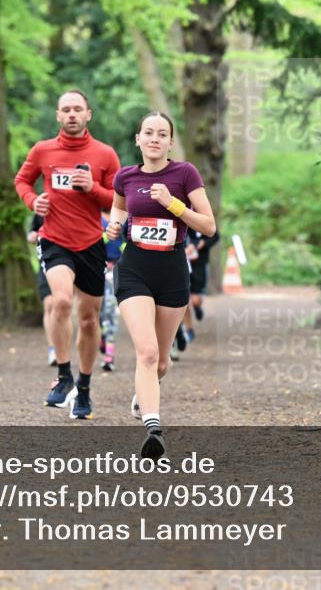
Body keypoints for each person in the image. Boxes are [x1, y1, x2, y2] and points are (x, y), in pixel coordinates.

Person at [106, 112, 216, 458]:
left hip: (172, 269)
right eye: (148, 133)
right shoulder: (125, 177)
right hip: (135, 267)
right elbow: (119, 212)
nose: (154, 138)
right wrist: (113, 227)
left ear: (170, 142)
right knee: (147, 352)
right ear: (138, 139)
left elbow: (209, 226)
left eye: (162, 134)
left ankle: (145, 395)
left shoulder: (185, 174)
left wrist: (173, 204)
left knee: (162, 361)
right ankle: (153, 428)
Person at [15, 89, 120, 419]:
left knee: (89, 319)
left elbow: (118, 202)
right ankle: (63, 376)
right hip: (54, 239)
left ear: (88, 114)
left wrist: (93, 188)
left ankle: (84, 388)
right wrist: (34, 201)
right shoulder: (43, 150)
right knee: (60, 302)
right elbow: (22, 181)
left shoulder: (105, 154)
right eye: (66, 110)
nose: (72, 114)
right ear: (58, 116)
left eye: (78, 109)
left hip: (91, 243)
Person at [182, 227, 220, 343]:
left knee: (195, 300)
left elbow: (214, 235)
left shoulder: (199, 214)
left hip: (198, 264)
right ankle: (189, 329)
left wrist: (200, 244)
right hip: (180, 264)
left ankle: (197, 307)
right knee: (183, 301)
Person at [28, 213, 56, 367]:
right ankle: (52, 348)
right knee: (49, 305)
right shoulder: (42, 208)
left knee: (60, 306)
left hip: (67, 263)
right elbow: (31, 232)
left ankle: (60, 345)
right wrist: (32, 236)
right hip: (45, 264)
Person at [98, 213, 125, 372]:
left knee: (110, 313)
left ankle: (109, 355)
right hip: (94, 269)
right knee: (97, 314)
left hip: (115, 271)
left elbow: (125, 244)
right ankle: (101, 337)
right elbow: (92, 240)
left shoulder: (124, 217)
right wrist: (107, 236)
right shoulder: (95, 216)